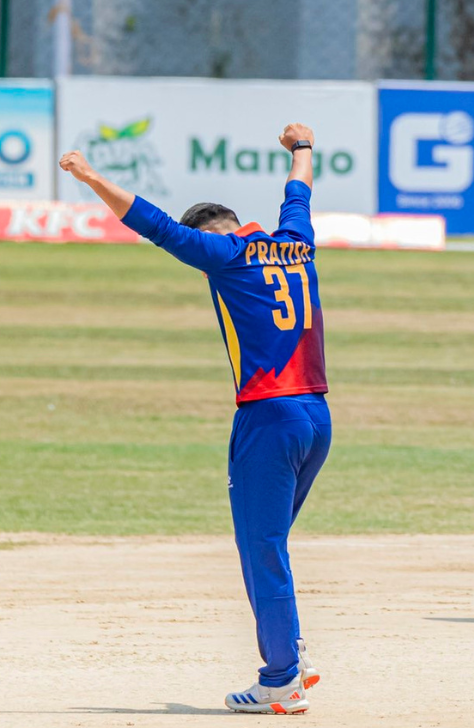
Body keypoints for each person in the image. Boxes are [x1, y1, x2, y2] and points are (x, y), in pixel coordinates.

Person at [59, 123, 331, 715]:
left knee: (260, 547)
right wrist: (303, 145)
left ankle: (281, 676)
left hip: (269, 417)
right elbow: (299, 191)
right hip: (318, 414)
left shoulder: (221, 255)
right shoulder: (296, 240)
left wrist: (89, 177)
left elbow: (151, 223)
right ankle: (291, 652)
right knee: (272, 543)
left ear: (204, 237)